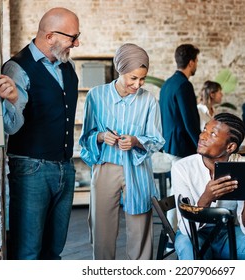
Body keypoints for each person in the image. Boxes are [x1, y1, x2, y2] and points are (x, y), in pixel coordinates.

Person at [0, 7, 80, 259]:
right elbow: (10, 126)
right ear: (50, 36)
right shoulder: (17, 68)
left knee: (54, 249)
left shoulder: (67, 66)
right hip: (32, 170)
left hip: (65, 166)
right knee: (28, 251)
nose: (77, 42)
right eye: (72, 37)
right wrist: (16, 98)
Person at [79, 43, 165, 260]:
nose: (138, 84)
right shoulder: (96, 96)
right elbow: (86, 137)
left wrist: (136, 141)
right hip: (106, 168)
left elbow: (157, 140)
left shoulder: (149, 101)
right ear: (120, 70)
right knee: (102, 228)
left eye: (142, 79)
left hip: (137, 169)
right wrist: (101, 136)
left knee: (140, 229)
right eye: (133, 78)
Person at [172, 113, 245, 260]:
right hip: (193, 234)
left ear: (230, 146)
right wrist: (207, 198)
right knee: (187, 246)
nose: (203, 136)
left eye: (212, 134)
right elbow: (186, 229)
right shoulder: (182, 168)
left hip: (227, 233)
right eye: (205, 130)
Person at [159, 43, 201, 161]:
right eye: (196, 61)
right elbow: (190, 121)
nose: (196, 65)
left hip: (169, 145)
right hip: (182, 147)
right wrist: (201, 146)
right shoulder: (184, 85)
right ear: (191, 63)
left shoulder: (167, 84)